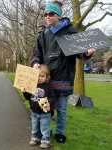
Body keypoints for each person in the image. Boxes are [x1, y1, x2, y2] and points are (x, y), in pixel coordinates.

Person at [30, 1, 95, 144]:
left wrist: (87, 53)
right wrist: (35, 63)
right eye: (45, 14)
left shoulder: (69, 31)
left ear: (58, 15)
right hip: (46, 80)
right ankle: (45, 132)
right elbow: (36, 53)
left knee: (61, 109)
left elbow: (80, 52)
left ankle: (60, 133)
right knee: (45, 107)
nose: (47, 16)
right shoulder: (43, 34)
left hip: (64, 78)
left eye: (51, 14)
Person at [21, 65, 55, 149]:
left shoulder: (48, 87)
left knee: (45, 127)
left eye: (42, 76)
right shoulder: (32, 85)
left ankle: (45, 140)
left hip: (45, 113)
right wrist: (24, 92)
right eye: (37, 76)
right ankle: (35, 138)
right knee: (35, 126)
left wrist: (49, 103)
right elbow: (28, 97)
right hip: (34, 112)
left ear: (46, 77)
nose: (39, 78)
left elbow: (53, 97)